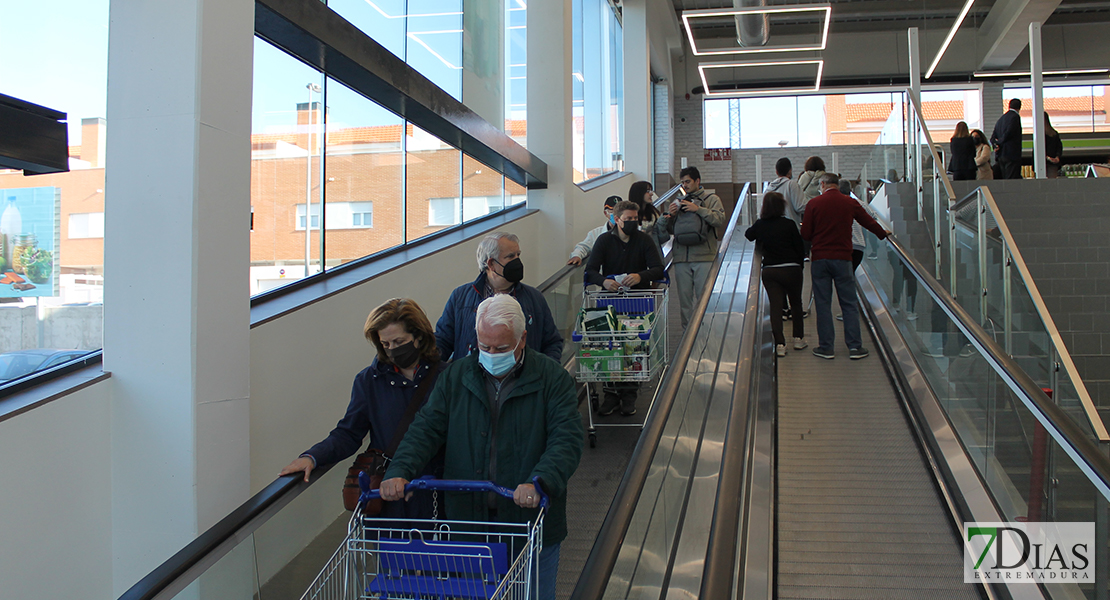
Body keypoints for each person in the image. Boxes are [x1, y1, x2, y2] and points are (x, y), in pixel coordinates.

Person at [380, 294, 584, 600]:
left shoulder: (552, 379)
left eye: (501, 348)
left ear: (523, 338)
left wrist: (539, 481)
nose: (491, 354)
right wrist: (400, 470)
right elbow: (426, 428)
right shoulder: (456, 377)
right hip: (470, 524)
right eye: (484, 346)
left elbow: (565, 439)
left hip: (528, 524)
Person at [279, 298, 446, 519]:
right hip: (391, 498)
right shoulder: (369, 381)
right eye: (385, 344)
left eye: (399, 341)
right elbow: (348, 433)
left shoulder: (447, 376)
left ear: (418, 337)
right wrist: (312, 457)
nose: (392, 350)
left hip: (440, 493)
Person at [585, 200, 666, 415]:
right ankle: (611, 394)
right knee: (609, 348)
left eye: (635, 219)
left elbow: (658, 268)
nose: (632, 222)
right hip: (609, 303)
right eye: (628, 219)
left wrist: (640, 276)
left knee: (633, 349)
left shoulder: (644, 241)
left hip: (637, 302)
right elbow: (591, 270)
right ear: (617, 219)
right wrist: (604, 282)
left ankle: (629, 394)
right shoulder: (603, 241)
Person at [801, 173, 889, 360]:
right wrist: (883, 234)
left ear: (822, 184)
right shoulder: (849, 203)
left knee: (823, 304)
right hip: (843, 258)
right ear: (837, 184)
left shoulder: (813, 204)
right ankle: (855, 348)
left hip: (820, 259)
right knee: (848, 303)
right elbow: (868, 222)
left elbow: (806, 234)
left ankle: (826, 348)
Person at [437, 232, 563, 363]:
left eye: (518, 255)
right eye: (510, 256)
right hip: (470, 380)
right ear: (491, 264)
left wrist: (546, 375)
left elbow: (552, 343)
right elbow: (442, 341)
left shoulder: (534, 298)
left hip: (524, 381)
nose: (517, 261)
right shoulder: (460, 297)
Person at [656, 166, 727, 328]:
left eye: (688, 181)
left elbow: (719, 219)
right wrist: (670, 216)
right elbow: (670, 230)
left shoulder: (711, 199)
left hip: (704, 257)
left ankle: (707, 334)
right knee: (685, 301)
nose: (685, 185)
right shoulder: (678, 202)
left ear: (697, 181)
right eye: (682, 183)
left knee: (705, 299)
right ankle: (686, 337)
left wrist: (699, 209)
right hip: (681, 258)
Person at [744, 192, 806, 357]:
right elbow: (800, 248)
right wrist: (799, 266)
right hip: (792, 269)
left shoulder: (761, 224)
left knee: (776, 307)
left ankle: (780, 344)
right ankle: (798, 339)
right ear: (781, 206)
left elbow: (748, 235)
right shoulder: (789, 224)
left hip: (771, 270)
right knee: (796, 304)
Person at [567, 195, 619, 266]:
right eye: (612, 211)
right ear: (605, 213)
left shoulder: (631, 231)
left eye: (619, 212)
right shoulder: (595, 233)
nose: (616, 215)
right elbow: (583, 247)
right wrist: (577, 255)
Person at [765, 157, 806, 228]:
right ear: (790, 171)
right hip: (791, 228)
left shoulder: (769, 188)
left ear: (776, 172)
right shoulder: (792, 185)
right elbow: (800, 207)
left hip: (773, 229)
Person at [991, 99, 1023, 179]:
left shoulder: (1001, 119)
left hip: (1001, 154)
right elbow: (1009, 132)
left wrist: (996, 145)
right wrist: (1000, 142)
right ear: (1019, 107)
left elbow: (993, 137)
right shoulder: (1015, 117)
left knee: (1005, 178)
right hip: (1012, 154)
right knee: (1012, 179)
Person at [1045, 112, 1063, 179]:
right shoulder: (1054, 133)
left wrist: (1047, 157)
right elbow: (1059, 147)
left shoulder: (1040, 136)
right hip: (1053, 164)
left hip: (1044, 163)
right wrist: (1057, 157)